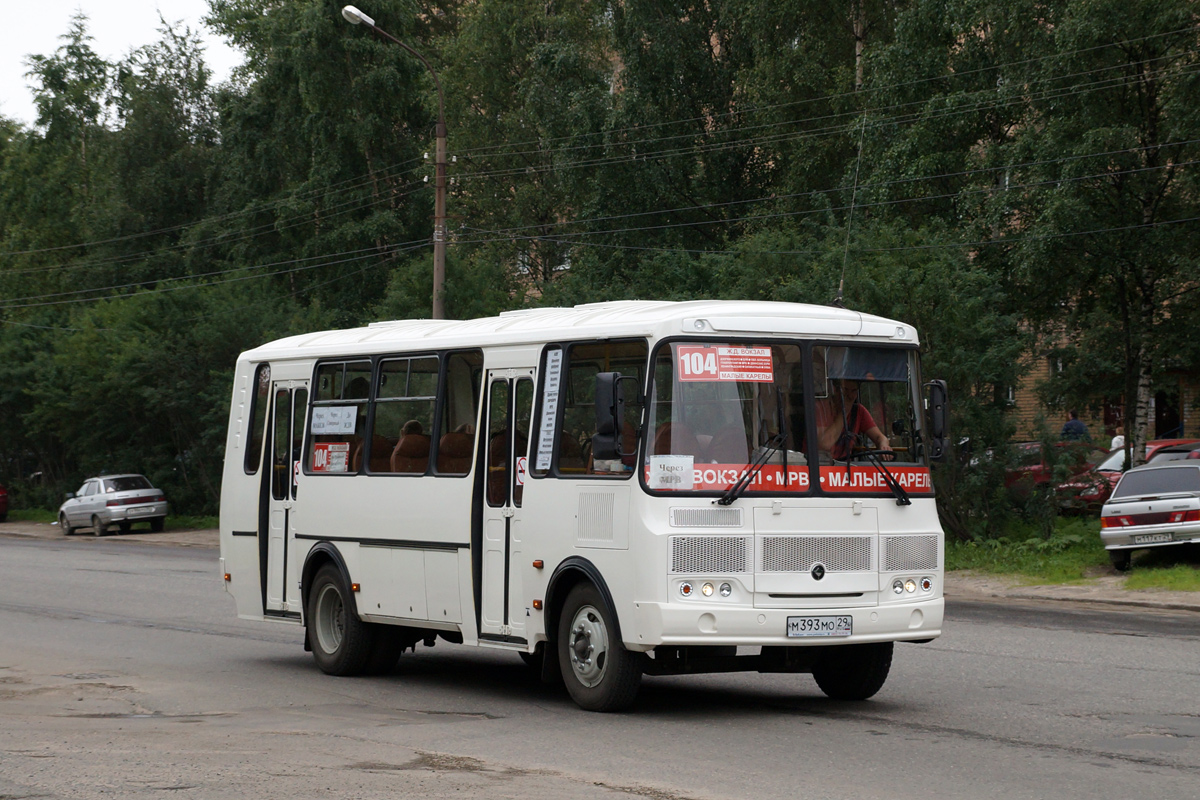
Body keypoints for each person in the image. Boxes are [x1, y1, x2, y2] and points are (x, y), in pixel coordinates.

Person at [816, 379, 893, 460]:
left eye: (853, 391)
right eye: (845, 390)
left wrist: (883, 445)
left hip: (845, 467)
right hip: (818, 466)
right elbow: (825, 444)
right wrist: (844, 412)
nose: (849, 395)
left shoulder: (858, 411)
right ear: (835, 390)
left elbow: (879, 437)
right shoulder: (820, 409)